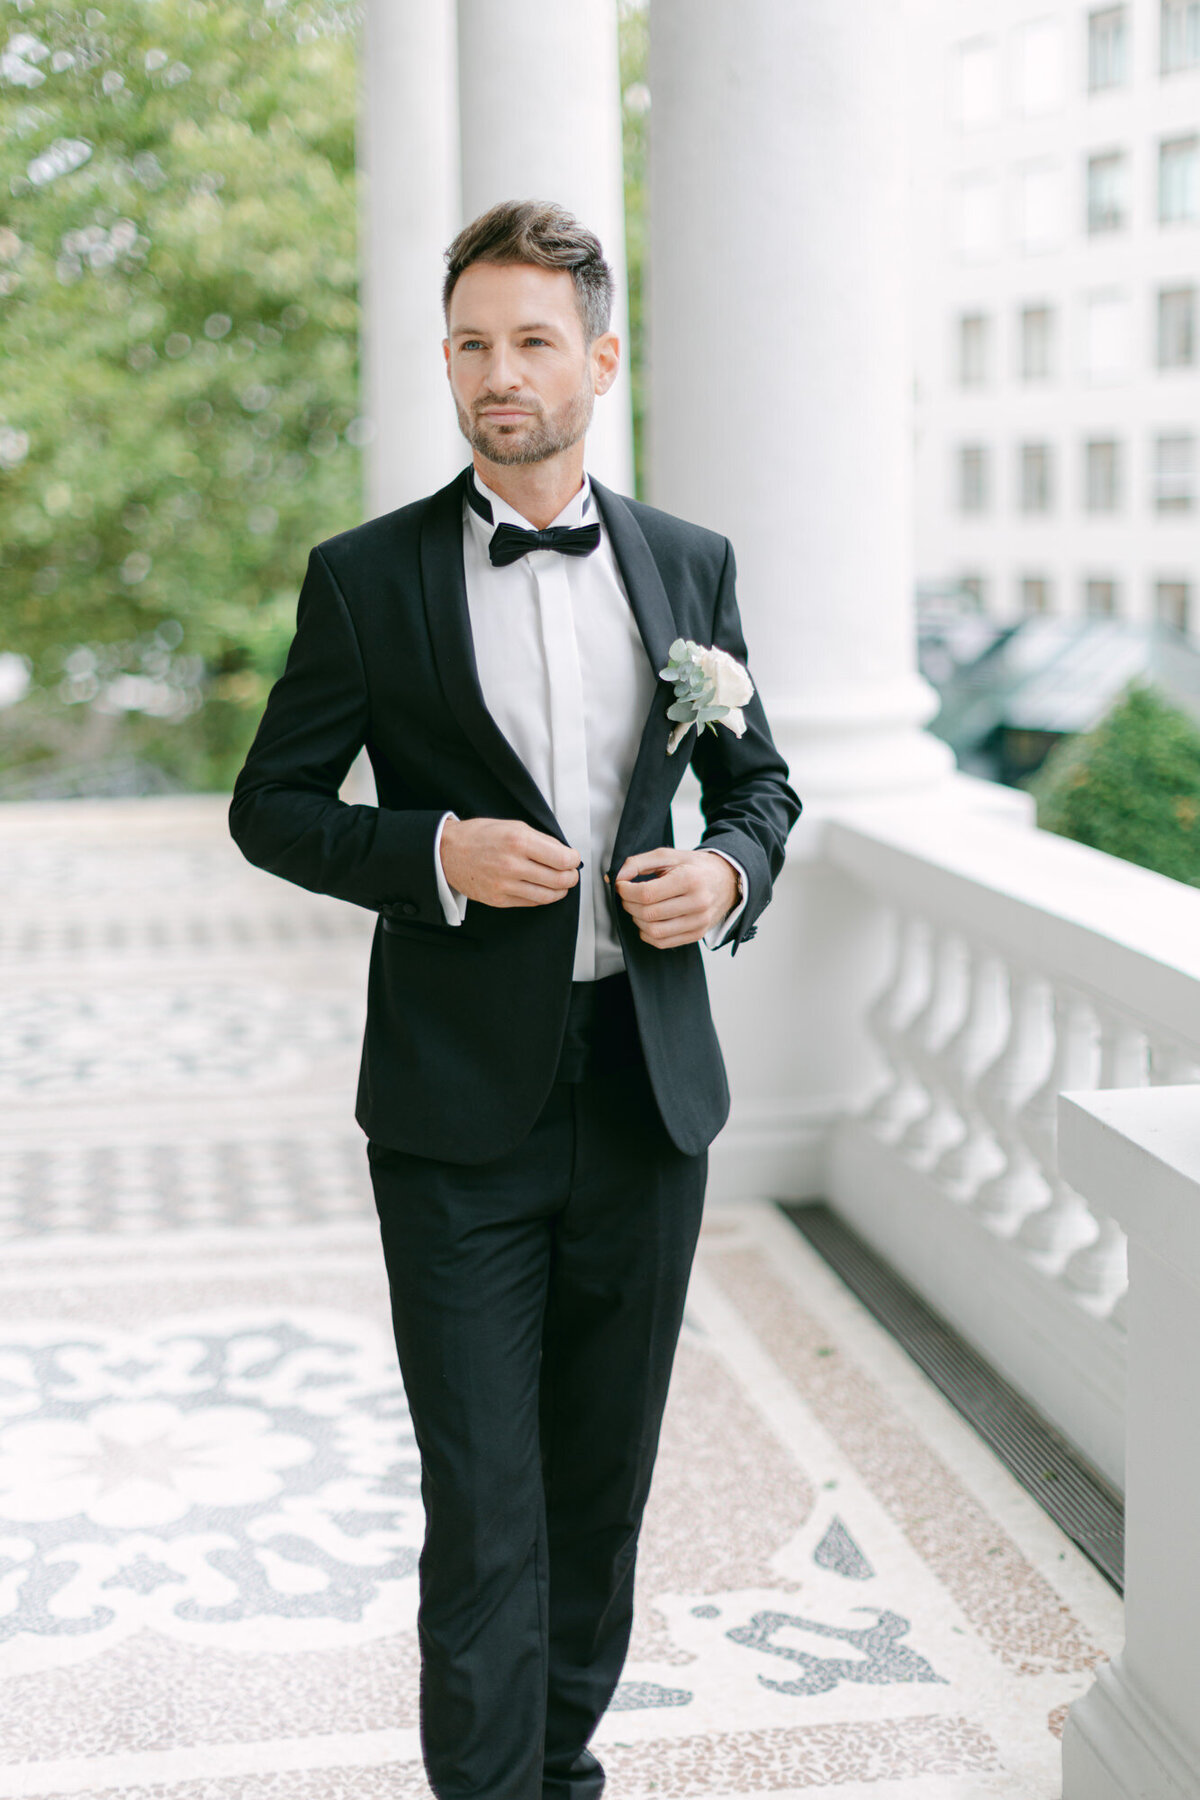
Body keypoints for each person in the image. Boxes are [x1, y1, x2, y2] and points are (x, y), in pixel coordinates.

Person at [229, 198, 801, 1800]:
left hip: (646, 1093)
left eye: (534, 341)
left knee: (600, 1489)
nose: (500, 372)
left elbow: (759, 787)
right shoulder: (366, 579)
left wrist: (727, 876)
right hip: (452, 1112)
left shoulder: (688, 564)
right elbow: (271, 807)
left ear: (598, 362)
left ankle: (561, 1770)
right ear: (448, 361)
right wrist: (434, 852)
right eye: (472, 343)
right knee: (484, 1501)